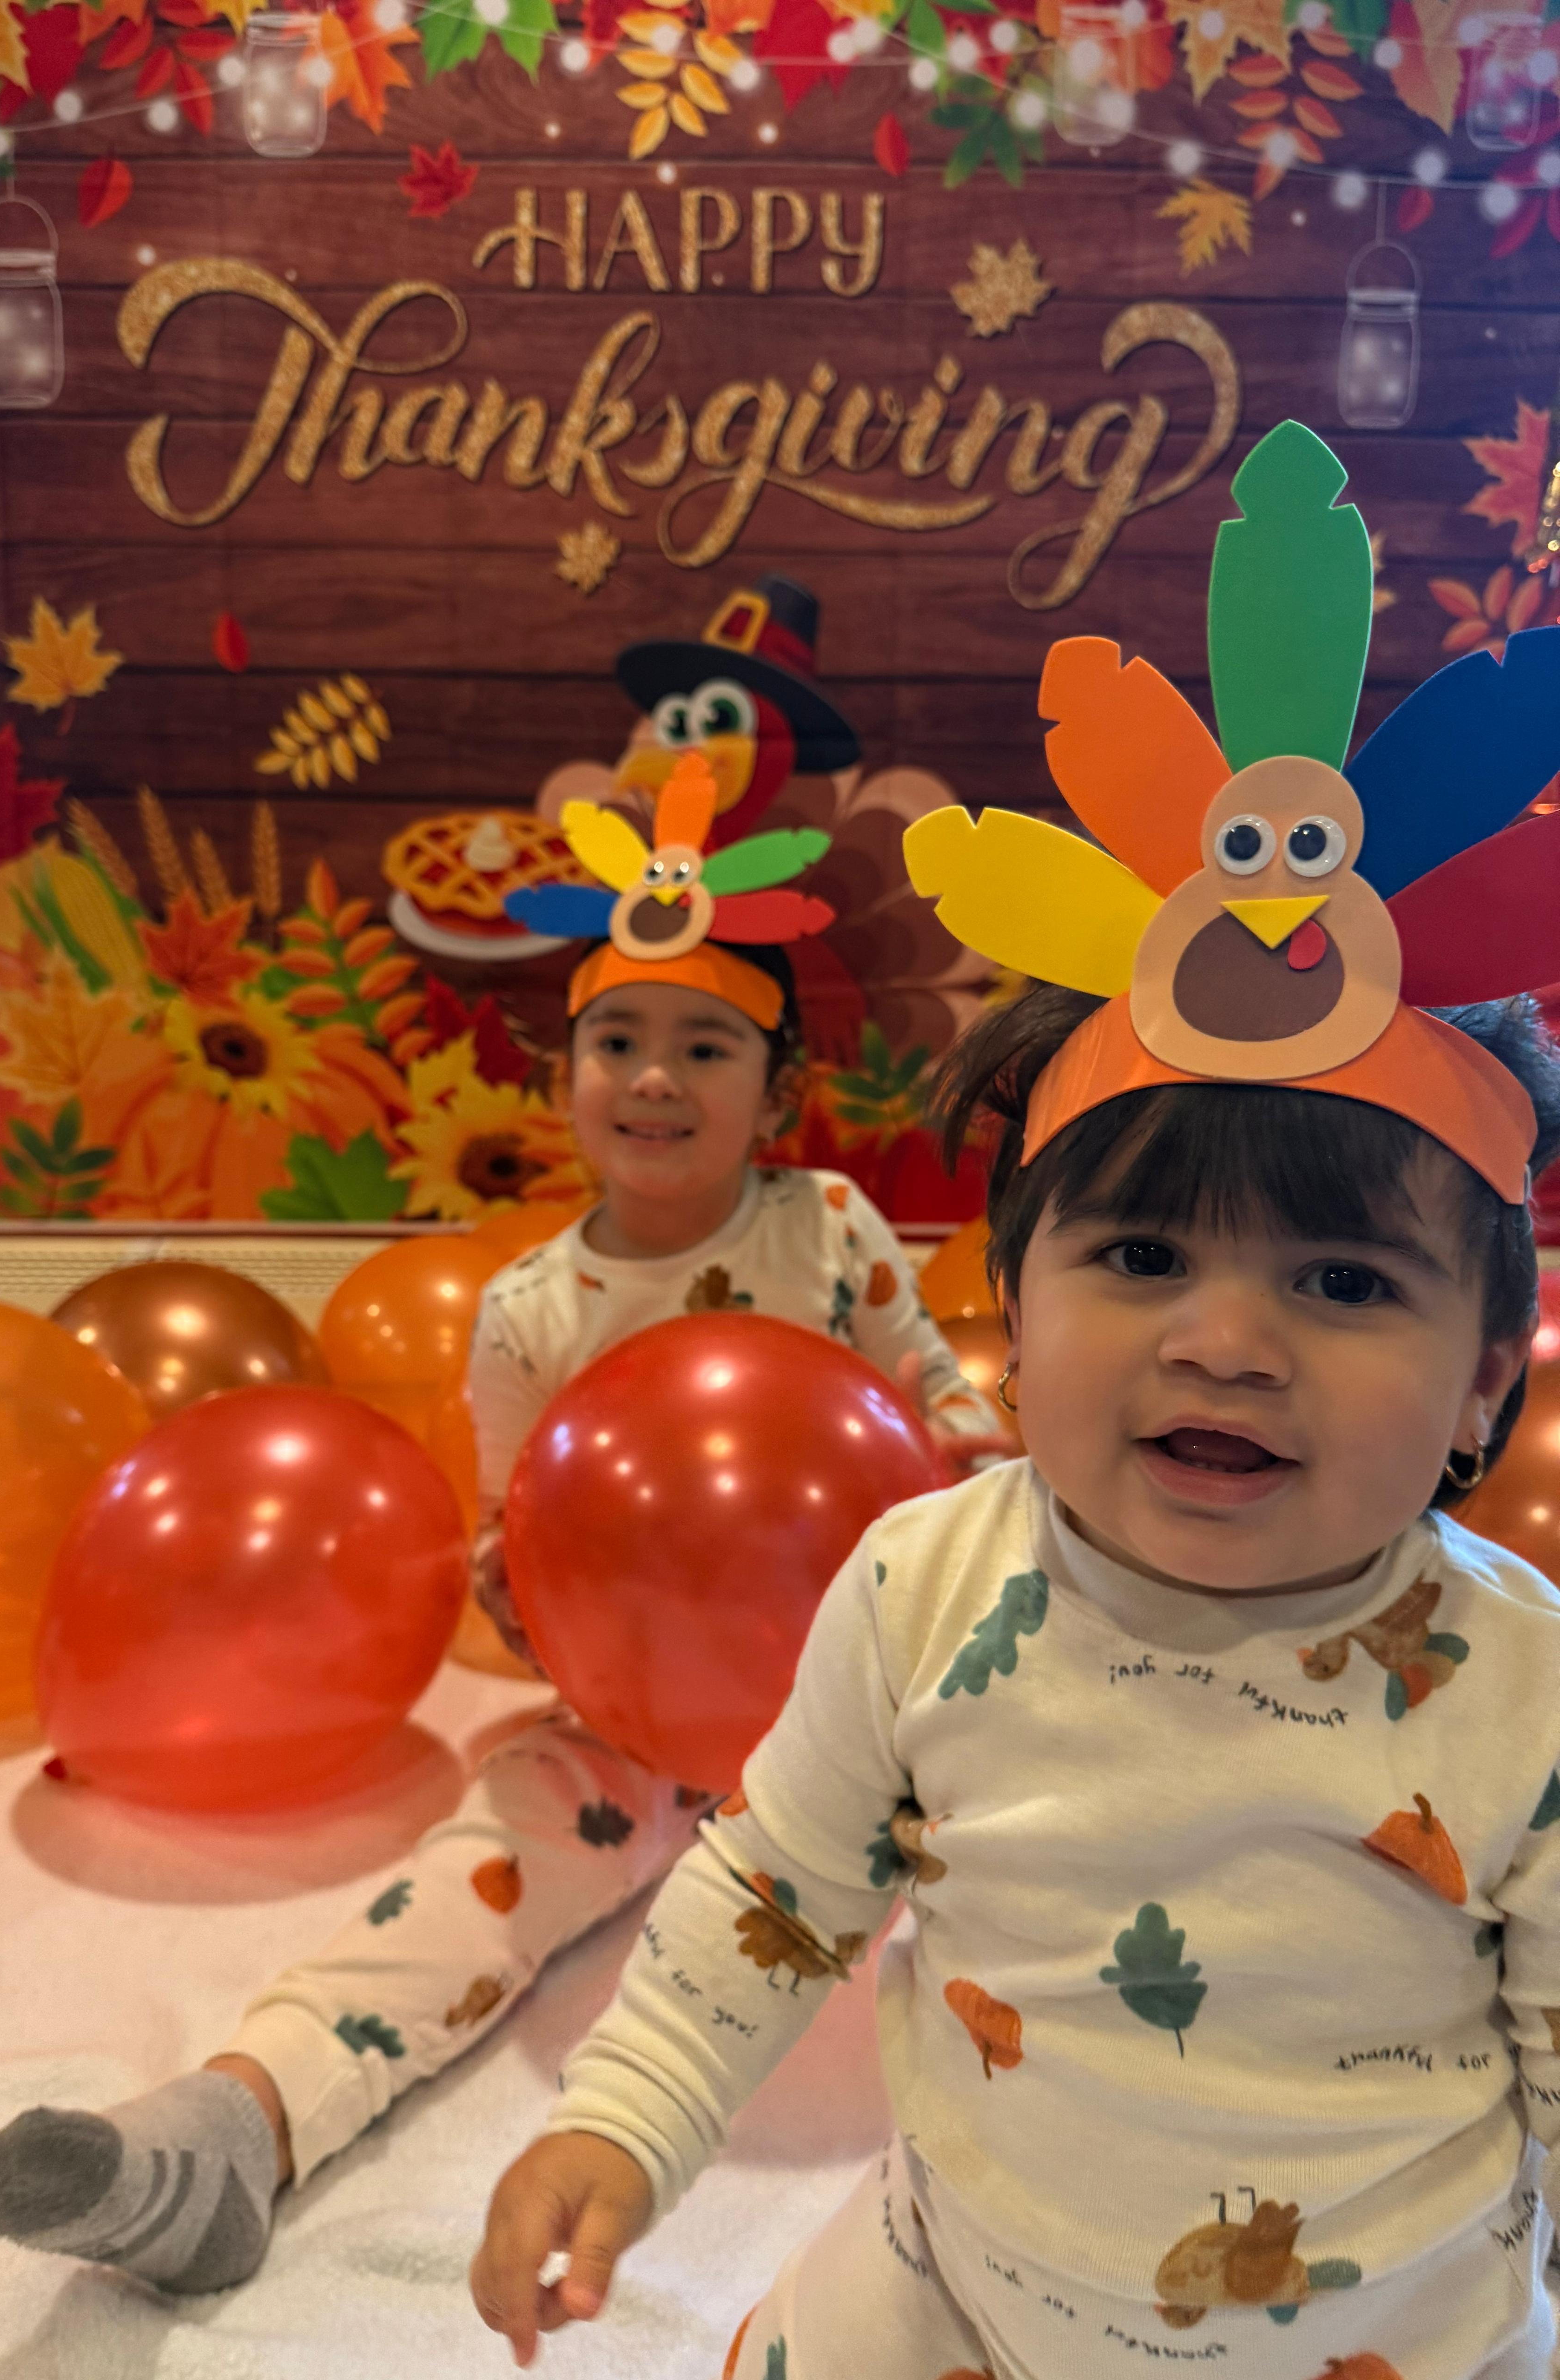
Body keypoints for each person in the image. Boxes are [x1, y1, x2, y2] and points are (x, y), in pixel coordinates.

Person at [468, 424, 1560, 2379]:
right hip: (961, 2280)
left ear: (1492, 1362)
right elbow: (776, 1888)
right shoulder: (923, 1585)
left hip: (1385, 2342)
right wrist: (619, 2112)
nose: (1227, 1342)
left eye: (1341, 1282)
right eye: (1141, 1260)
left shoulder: (1526, 1693)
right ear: (1004, 1308)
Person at [0, 756, 1000, 2297]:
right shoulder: (527, 1313)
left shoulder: (831, 1231)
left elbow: (936, 1412)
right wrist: (517, 1590)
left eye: (706, 1046)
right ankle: (233, 2129)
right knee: (468, 1887)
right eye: (617, 1041)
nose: (655, 1078)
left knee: (1064, 1868)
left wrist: (983, 1508)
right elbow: (522, 1541)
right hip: (636, 1734)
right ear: (566, 1070)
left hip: (873, 1713)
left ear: (776, 1092)